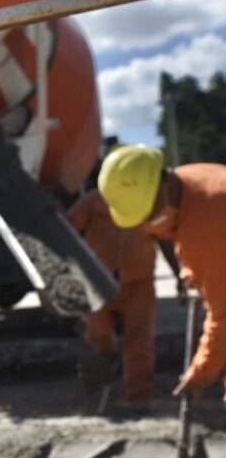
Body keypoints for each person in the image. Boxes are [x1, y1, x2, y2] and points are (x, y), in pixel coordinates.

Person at [97, 145, 226, 401]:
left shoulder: (206, 227)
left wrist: (200, 373)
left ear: (163, 190)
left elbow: (225, 316)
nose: (148, 228)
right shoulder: (191, 181)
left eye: (150, 216)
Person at [67, 188, 157, 408]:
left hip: (138, 283)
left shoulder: (146, 199)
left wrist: (179, 274)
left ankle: (139, 397)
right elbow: (67, 227)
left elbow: (165, 237)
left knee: (139, 343)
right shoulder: (92, 201)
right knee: (98, 338)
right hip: (98, 283)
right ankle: (99, 392)